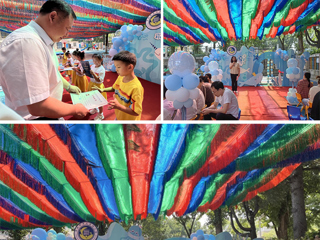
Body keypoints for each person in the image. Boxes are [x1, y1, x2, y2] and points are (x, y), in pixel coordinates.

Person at [0, 0, 88, 120]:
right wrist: (75, 109)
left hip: (46, 114)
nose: (67, 34)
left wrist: (68, 86)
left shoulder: (43, 41)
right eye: (67, 28)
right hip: (36, 120)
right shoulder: (27, 43)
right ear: (52, 17)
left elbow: (52, 73)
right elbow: (38, 106)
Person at [93, 51, 144, 120]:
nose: (116, 69)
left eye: (118, 67)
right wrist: (102, 90)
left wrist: (118, 106)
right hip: (120, 115)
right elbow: (114, 88)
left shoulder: (136, 88)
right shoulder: (121, 76)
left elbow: (136, 112)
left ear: (130, 67)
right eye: (115, 66)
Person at [88, 53, 107, 121]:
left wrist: (93, 74)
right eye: (94, 60)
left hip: (98, 86)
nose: (95, 62)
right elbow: (90, 75)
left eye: (97, 60)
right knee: (93, 98)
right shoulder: (93, 66)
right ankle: (95, 108)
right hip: (92, 84)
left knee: (99, 101)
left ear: (101, 60)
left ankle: (101, 114)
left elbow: (99, 80)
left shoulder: (102, 69)